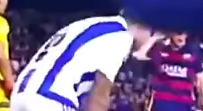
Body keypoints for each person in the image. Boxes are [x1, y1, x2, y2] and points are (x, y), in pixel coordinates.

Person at [9, 14, 154, 111]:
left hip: (20, 97)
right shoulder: (121, 36)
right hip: (50, 99)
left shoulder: (90, 25)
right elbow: (99, 94)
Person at [141, 33, 203, 111]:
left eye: (184, 32)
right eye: (178, 32)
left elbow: (201, 80)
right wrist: (156, 37)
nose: (181, 36)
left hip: (183, 104)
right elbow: (140, 55)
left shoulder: (193, 52)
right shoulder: (160, 50)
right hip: (161, 104)